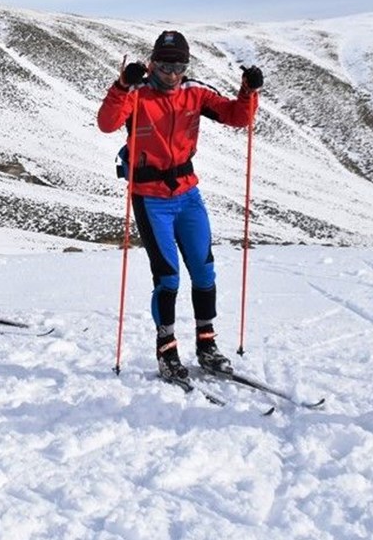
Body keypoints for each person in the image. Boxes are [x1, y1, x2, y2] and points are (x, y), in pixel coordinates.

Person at [96, 30, 263, 381]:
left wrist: (248, 93)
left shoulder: (195, 93)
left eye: (179, 66)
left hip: (187, 195)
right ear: (152, 63)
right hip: (149, 197)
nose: (172, 74)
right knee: (168, 277)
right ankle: (167, 350)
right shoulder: (138, 95)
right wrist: (122, 86)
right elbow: (107, 124)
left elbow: (237, 116)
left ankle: (207, 346)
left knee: (204, 272)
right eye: (165, 66)